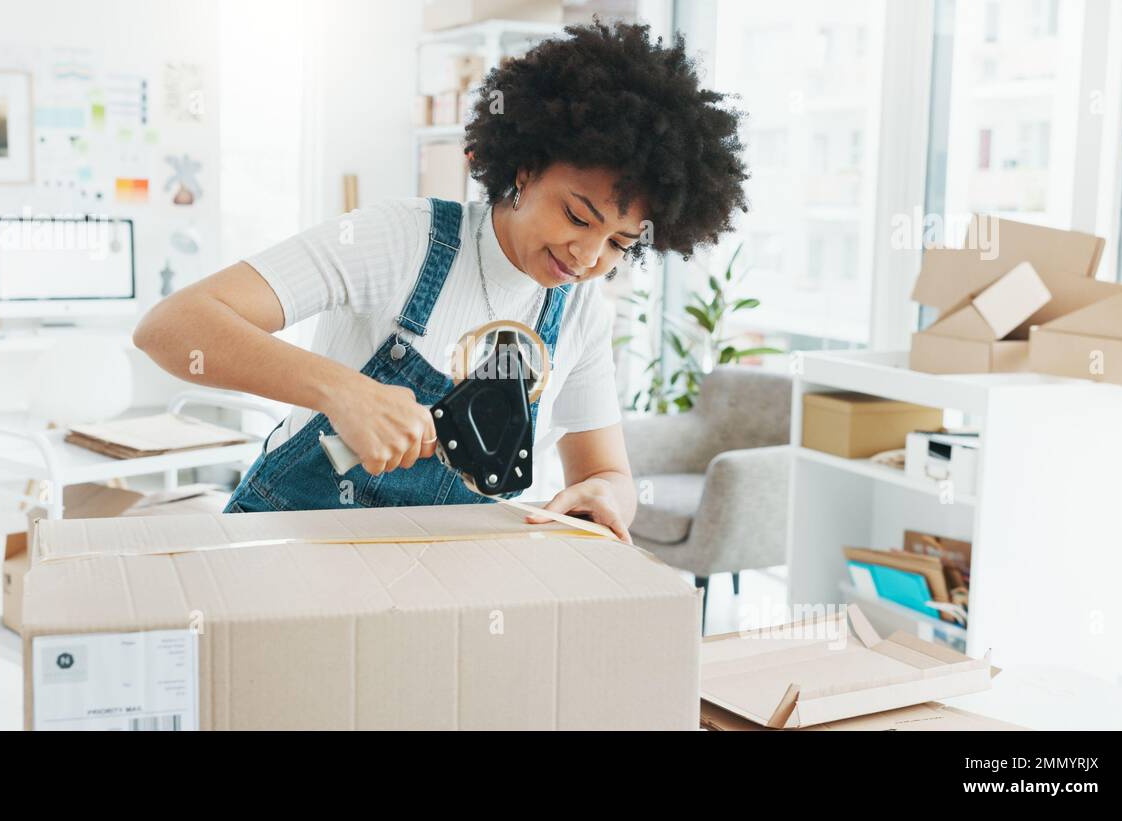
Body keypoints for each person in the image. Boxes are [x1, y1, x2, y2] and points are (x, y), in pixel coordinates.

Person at [133, 20, 747, 543]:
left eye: (619, 243)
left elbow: (605, 474)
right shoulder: (402, 239)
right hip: (291, 540)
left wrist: (608, 501)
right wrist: (340, 393)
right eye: (577, 216)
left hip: (441, 574)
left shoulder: (580, 309)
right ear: (524, 169)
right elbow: (171, 329)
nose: (587, 257)